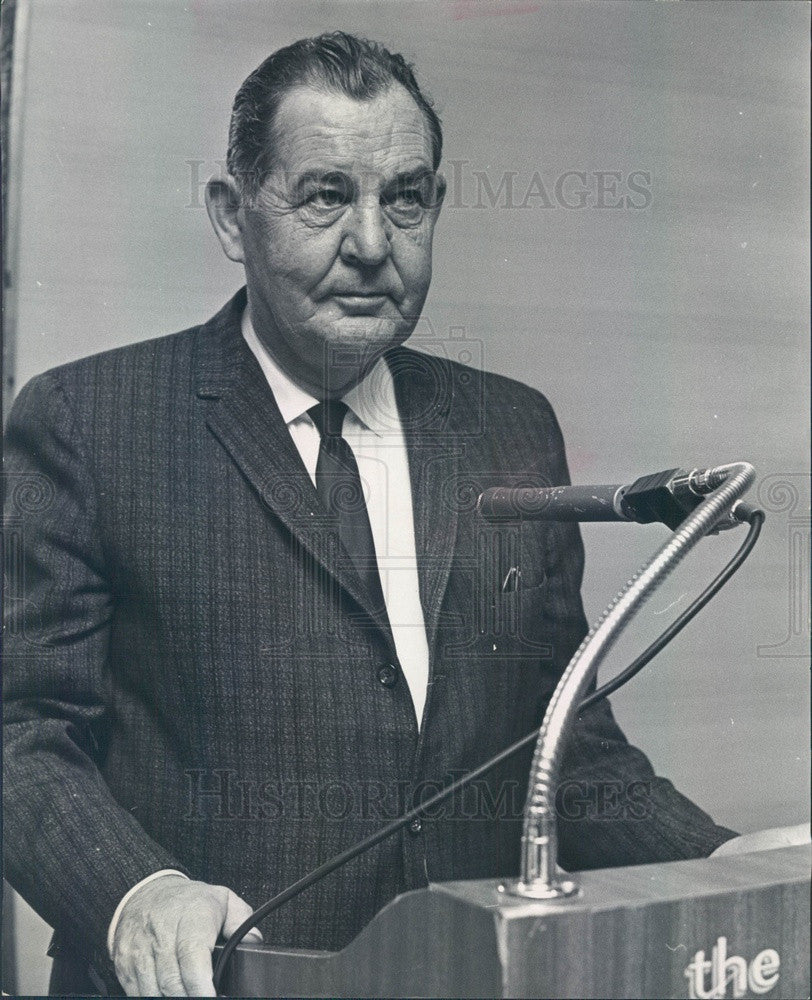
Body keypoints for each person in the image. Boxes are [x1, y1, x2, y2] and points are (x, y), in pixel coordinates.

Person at [4, 32, 743, 998]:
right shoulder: (89, 422)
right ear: (233, 217)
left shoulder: (508, 424)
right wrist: (137, 891)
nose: (370, 244)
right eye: (324, 196)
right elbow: (21, 730)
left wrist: (724, 864)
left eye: (404, 198)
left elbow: (562, 745)